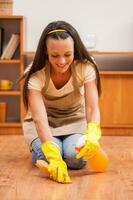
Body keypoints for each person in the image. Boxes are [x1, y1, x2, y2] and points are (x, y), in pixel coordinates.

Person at [22, 20, 101, 184]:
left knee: (76, 159)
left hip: (74, 120)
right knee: (47, 156)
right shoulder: (34, 74)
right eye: (54, 55)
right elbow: (39, 118)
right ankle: (50, 151)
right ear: (45, 51)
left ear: (75, 50)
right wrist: (53, 156)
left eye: (68, 54)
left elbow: (92, 107)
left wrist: (93, 134)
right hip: (45, 124)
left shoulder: (85, 67)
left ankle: (66, 149)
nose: (62, 62)